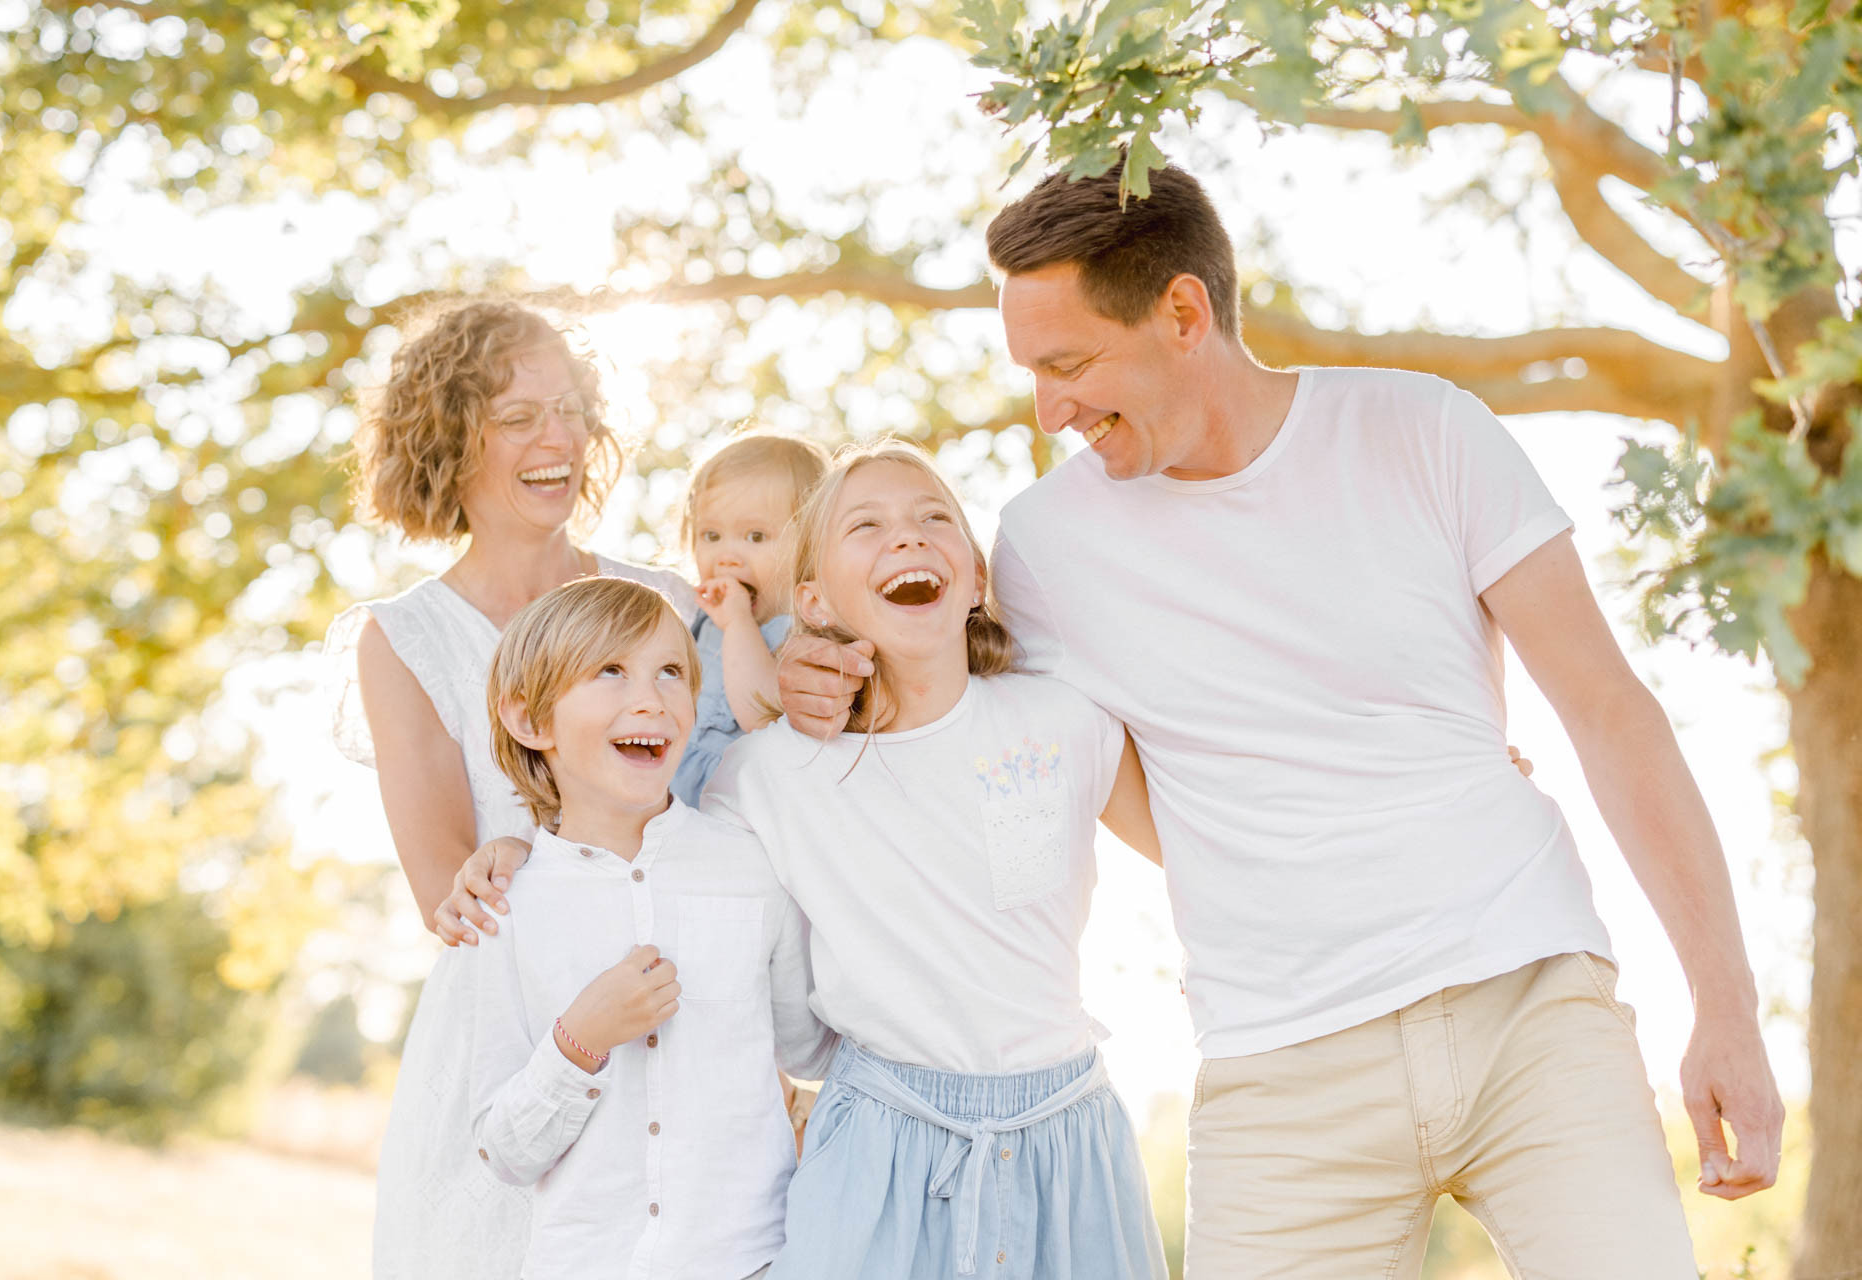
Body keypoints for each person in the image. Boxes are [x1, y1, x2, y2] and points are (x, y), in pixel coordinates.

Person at [776, 163, 1784, 1278]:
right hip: (1278, 1070)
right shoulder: (1043, 544)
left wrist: (1725, 1004)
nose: (1047, 408)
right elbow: (941, 688)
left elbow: (1610, 709)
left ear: (1183, 314)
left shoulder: (1425, 430)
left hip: (1529, 1006)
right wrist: (807, 660)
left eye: (1067, 365)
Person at [436, 442, 1168, 1279]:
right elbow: (643, 844)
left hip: (1067, 1136)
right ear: (813, 597)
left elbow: (1191, 860)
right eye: (867, 525)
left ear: (974, 576)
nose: (907, 537)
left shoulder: (1065, 719)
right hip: (880, 1141)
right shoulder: (764, 776)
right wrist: (517, 852)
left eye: (936, 518)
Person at [324, 298, 694, 1280]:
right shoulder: (406, 637)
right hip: (506, 1028)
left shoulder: (670, 603)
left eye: (572, 409)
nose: (559, 438)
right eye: (520, 414)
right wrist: (528, 851)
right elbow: (451, 891)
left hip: (672, 993)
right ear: (451, 435)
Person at [467, 575, 835, 1280]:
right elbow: (504, 1151)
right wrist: (579, 1042)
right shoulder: (504, 905)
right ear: (529, 719)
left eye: (671, 671)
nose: (651, 698)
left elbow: (811, 1049)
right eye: (609, 671)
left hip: (753, 1261)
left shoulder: (751, 865)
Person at [672, 430, 832, 806]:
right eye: (711, 535)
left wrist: (739, 623)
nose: (727, 556)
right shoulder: (697, 623)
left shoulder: (804, 632)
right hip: (668, 793)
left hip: (733, 805)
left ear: (813, 544)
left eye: (756, 536)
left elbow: (762, 715)